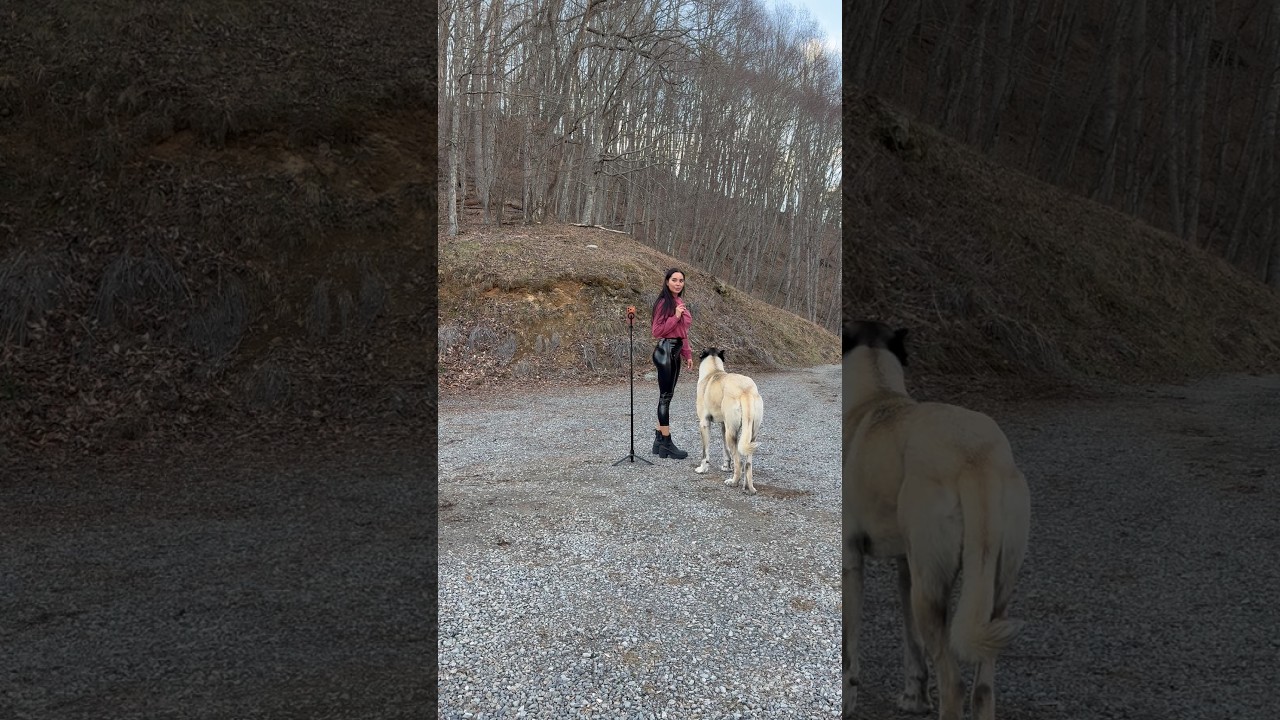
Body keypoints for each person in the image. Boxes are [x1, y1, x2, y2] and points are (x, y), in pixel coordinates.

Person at [650, 268, 695, 459]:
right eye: (674, 280)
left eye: (681, 280)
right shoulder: (663, 303)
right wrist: (675, 316)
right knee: (665, 397)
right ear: (667, 281)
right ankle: (666, 443)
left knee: (666, 396)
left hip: (675, 350)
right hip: (665, 350)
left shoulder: (679, 302)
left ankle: (659, 441)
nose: (678, 283)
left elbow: (682, 332)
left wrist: (687, 353)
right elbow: (657, 331)